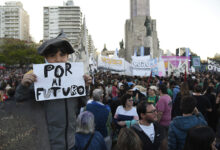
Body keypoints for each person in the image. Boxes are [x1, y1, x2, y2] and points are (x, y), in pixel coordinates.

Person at [14, 32, 92, 150]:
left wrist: (84, 87)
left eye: (62, 54)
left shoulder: (75, 79)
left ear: (67, 57)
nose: (58, 59)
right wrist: (23, 86)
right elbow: (19, 102)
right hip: (45, 144)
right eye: (52, 55)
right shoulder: (36, 80)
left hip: (70, 144)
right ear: (46, 58)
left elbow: (83, 103)